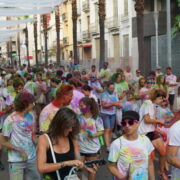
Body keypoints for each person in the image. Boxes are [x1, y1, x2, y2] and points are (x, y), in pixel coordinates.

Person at [37, 107, 95, 180]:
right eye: (68, 127)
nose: (70, 130)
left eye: (72, 127)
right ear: (59, 125)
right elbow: (41, 168)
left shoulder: (73, 139)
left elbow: (78, 163)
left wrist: (86, 167)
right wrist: (66, 163)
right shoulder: (44, 139)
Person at [0, 91, 41, 180]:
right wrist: (18, 149)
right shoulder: (10, 120)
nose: (33, 104)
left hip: (31, 158)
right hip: (16, 161)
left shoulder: (32, 115)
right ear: (26, 104)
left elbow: (32, 135)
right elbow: (2, 141)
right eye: (32, 102)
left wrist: (41, 143)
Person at [108, 111, 155, 180]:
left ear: (138, 123)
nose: (127, 126)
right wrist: (121, 177)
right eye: (124, 123)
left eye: (130, 122)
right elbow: (111, 166)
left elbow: (150, 163)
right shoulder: (117, 143)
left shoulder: (145, 140)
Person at [138, 89, 168, 178]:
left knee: (163, 152)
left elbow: (152, 122)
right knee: (150, 159)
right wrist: (160, 121)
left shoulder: (154, 105)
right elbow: (147, 120)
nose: (162, 101)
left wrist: (159, 130)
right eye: (162, 99)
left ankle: (161, 171)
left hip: (152, 131)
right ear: (157, 97)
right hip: (144, 134)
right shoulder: (147, 103)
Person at [78, 97, 104, 180]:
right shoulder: (78, 117)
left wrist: (93, 135)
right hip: (80, 148)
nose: (80, 108)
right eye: (79, 106)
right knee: (78, 170)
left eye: (82, 106)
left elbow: (102, 131)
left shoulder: (96, 118)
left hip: (92, 149)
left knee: (91, 171)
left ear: (89, 106)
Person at [101, 81, 121, 151]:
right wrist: (113, 104)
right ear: (107, 88)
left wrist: (119, 105)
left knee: (111, 129)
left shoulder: (115, 94)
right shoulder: (104, 94)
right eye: (110, 88)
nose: (112, 89)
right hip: (105, 113)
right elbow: (103, 105)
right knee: (107, 129)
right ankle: (107, 146)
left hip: (113, 113)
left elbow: (118, 102)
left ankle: (109, 144)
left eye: (113, 88)